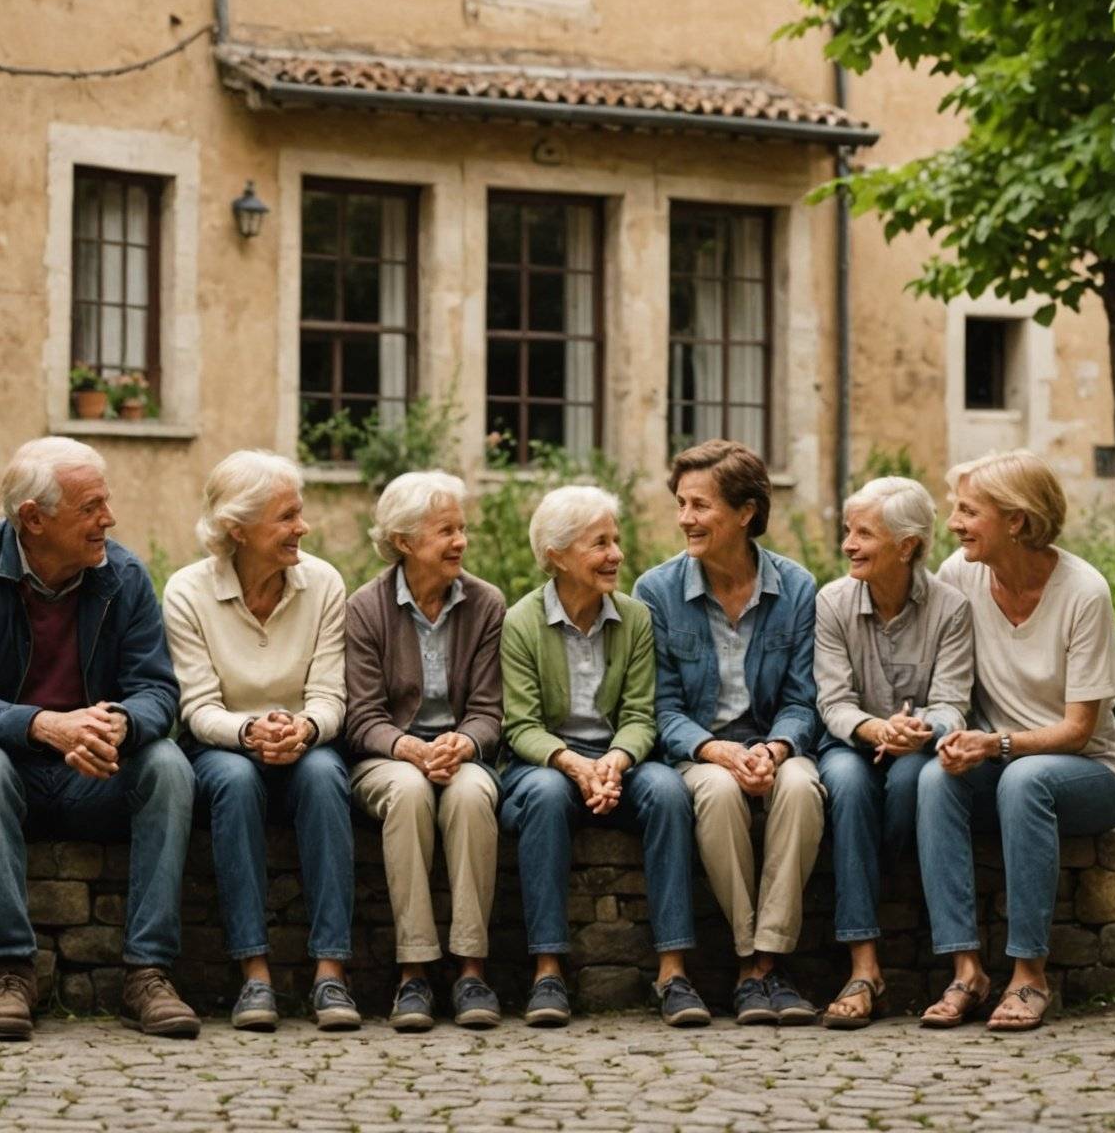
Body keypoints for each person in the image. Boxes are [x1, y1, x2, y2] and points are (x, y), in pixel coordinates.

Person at [0, 437, 194, 1042]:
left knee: (167, 763)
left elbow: (157, 692)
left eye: (105, 504)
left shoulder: (124, 576)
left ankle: (149, 972)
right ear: (33, 519)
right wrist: (44, 724)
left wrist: (121, 722)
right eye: (91, 507)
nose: (108, 520)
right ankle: (8, 972)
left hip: (90, 779)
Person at [921, 450, 1115, 1032]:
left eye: (969, 511)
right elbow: (945, 678)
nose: (954, 523)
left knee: (1024, 777)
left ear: (1015, 521)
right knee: (934, 777)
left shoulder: (1083, 592)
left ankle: (1029, 974)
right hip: (1006, 762)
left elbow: (1079, 729)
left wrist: (995, 746)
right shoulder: (959, 575)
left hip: (1090, 771)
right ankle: (967, 970)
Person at [497, 485, 709, 1028]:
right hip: (547, 764)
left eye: (615, 540)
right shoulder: (522, 622)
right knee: (544, 797)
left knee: (667, 791)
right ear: (557, 555)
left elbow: (642, 714)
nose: (616, 554)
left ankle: (673, 971)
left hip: (621, 760)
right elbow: (521, 725)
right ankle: (548, 969)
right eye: (599, 544)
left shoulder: (635, 618)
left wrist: (613, 762)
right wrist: (573, 764)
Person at [161, 450, 358, 1032]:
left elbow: (330, 694)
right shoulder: (186, 592)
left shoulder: (322, 583)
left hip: (307, 742)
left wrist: (303, 728)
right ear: (236, 530)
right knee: (236, 780)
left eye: (300, 514)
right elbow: (196, 707)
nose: (303, 527)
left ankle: (331, 973)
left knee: (325, 776)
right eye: (287, 517)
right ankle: (254, 975)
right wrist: (248, 732)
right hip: (222, 744)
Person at [634, 439, 822, 1025]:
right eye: (681, 504)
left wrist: (773, 747)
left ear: (745, 513)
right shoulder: (657, 592)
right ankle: (748, 964)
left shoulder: (797, 589)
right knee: (714, 794)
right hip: (698, 751)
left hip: (773, 742)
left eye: (700, 505)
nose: (686, 519)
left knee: (800, 789)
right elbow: (660, 708)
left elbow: (804, 699)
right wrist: (715, 750)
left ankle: (770, 960)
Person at [344, 471, 507, 1030]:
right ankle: (413, 972)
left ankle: (470, 970)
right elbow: (361, 718)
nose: (460, 541)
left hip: (463, 754)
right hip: (389, 759)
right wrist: (410, 748)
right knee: (410, 792)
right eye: (446, 531)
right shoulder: (365, 608)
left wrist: (465, 741)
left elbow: (489, 710)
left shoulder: (486, 604)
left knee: (469, 796)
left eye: (462, 529)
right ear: (405, 542)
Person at [811, 476, 973, 1028]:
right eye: (847, 532)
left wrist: (920, 729)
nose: (848, 544)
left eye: (864, 533)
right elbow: (832, 703)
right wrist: (877, 730)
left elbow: (953, 701)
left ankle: (866, 866)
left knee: (909, 781)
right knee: (849, 785)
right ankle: (863, 967)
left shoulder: (951, 609)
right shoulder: (831, 602)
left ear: (907, 546)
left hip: (916, 749)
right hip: (850, 746)